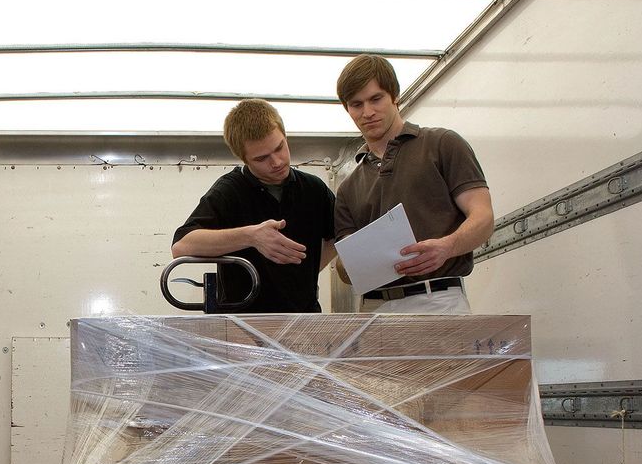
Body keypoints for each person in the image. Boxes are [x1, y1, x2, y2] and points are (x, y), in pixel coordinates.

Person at [333, 55, 495, 313]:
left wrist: (447, 247)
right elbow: (344, 266)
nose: (368, 112)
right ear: (347, 108)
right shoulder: (347, 188)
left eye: (376, 99)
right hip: (375, 309)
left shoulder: (442, 144)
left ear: (395, 96)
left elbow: (483, 216)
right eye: (356, 104)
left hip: (438, 301)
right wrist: (351, 263)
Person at [172, 99, 337, 313]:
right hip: (243, 323)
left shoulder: (314, 189)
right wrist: (251, 236)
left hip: (302, 319)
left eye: (280, 148)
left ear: (285, 136)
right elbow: (182, 246)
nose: (277, 162)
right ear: (244, 159)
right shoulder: (228, 191)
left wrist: (305, 271)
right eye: (262, 158)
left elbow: (338, 235)